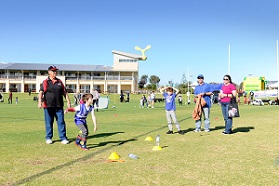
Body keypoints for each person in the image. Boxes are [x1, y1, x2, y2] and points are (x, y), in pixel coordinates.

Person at [38, 65, 71, 144]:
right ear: (49, 72)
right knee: (49, 122)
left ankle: (63, 138)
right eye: (53, 71)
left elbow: (64, 92)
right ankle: (48, 137)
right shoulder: (45, 82)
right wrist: (39, 102)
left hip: (59, 106)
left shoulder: (59, 82)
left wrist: (68, 101)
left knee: (61, 122)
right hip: (48, 106)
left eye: (56, 71)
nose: (55, 72)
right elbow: (41, 92)